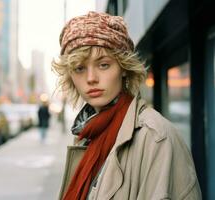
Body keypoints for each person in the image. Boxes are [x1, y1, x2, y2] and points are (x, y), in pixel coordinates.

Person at [52, 11, 202, 200]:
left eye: (103, 65)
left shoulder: (156, 139)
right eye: (80, 68)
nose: (91, 78)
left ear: (123, 67)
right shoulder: (87, 135)